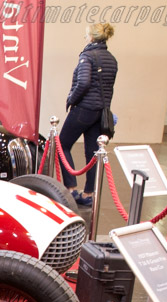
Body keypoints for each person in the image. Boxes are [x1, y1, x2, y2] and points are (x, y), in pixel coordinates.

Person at [60, 23, 118, 206]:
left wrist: (71, 98)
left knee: (62, 145)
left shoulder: (87, 56)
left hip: (83, 109)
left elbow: (83, 83)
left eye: (86, 35)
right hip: (100, 112)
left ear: (92, 37)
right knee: (92, 153)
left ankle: (71, 189)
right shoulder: (111, 58)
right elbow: (109, 88)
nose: (85, 38)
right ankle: (88, 194)